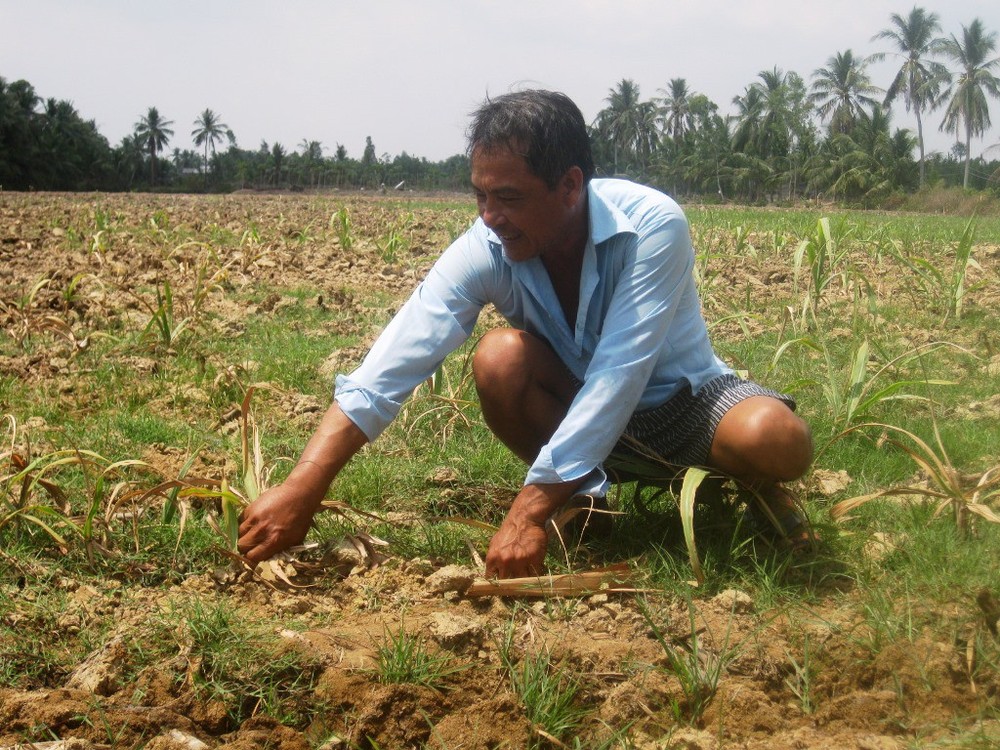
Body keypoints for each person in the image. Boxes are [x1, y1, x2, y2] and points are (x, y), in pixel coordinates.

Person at [237, 89, 814, 579]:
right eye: (481, 196)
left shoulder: (651, 226)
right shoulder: (486, 247)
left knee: (776, 438)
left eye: (509, 197)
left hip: (680, 403)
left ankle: (748, 484)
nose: (490, 216)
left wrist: (527, 511)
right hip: (573, 400)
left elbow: (620, 373)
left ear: (569, 185)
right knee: (499, 359)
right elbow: (394, 360)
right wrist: (304, 487)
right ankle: (590, 504)